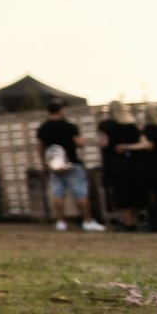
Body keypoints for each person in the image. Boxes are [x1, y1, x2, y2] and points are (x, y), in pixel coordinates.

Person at [38, 99, 100, 232]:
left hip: (55, 166)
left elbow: (40, 148)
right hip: (72, 163)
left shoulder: (43, 128)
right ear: (61, 110)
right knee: (80, 193)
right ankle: (87, 221)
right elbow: (80, 144)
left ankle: (61, 222)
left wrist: (44, 163)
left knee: (58, 193)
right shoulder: (69, 126)